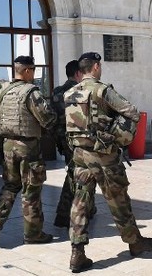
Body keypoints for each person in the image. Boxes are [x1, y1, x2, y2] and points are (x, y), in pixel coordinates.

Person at [65, 52, 152, 273]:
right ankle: (135, 243)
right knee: (119, 200)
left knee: (79, 203)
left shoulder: (70, 93)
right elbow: (132, 113)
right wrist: (118, 136)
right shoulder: (103, 90)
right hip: (104, 157)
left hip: (80, 156)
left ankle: (76, 253)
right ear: (97, 67)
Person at [0, 55, 57, 245]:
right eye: (33, 70)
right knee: (31, 190)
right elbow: (47, 118)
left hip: (8, 145)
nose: (34, 74)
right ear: (26, 71)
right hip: (28, 147)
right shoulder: (31, 92)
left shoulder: (2, 91)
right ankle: (33, 234)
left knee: (10, 186)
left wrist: (3, 142)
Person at [51, 59, 95, 228]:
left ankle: (89, 209)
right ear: (78, 73)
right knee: (77, 175)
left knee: (78, 173)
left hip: (63, 139)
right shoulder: (79, 91)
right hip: (79, 140)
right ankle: (63, 214)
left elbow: (52, 119)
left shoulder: (57, 92)